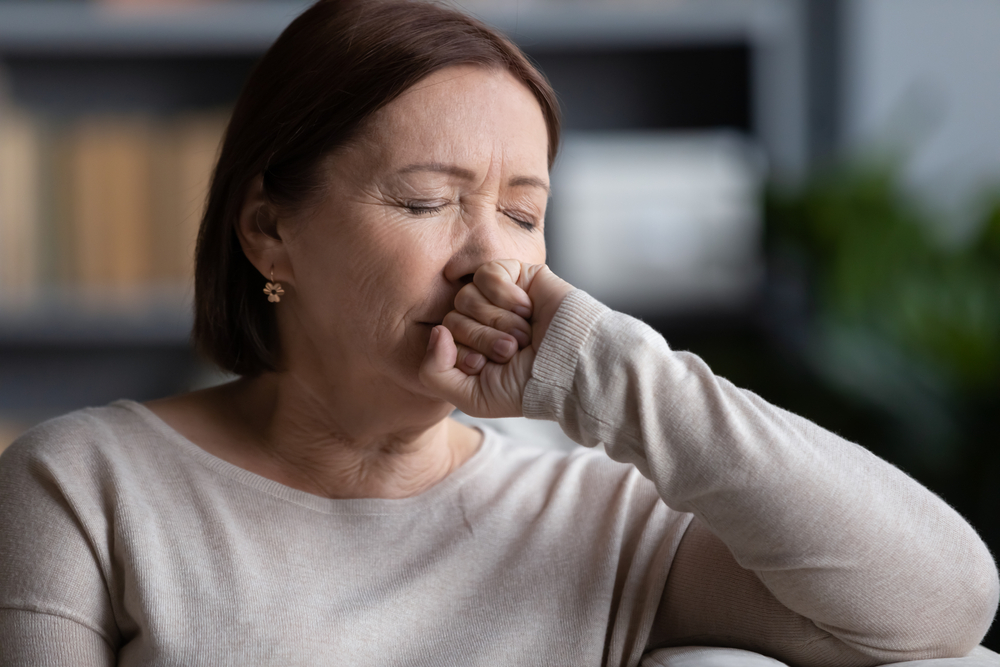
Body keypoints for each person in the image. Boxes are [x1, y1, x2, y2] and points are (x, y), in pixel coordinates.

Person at [0, 1, 996, 665]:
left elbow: (946, 605)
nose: (493, 262)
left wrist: (612, 370)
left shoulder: (601, 521)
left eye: (522, 215)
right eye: (428, 201)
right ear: (270, 230)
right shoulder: (85, 485)